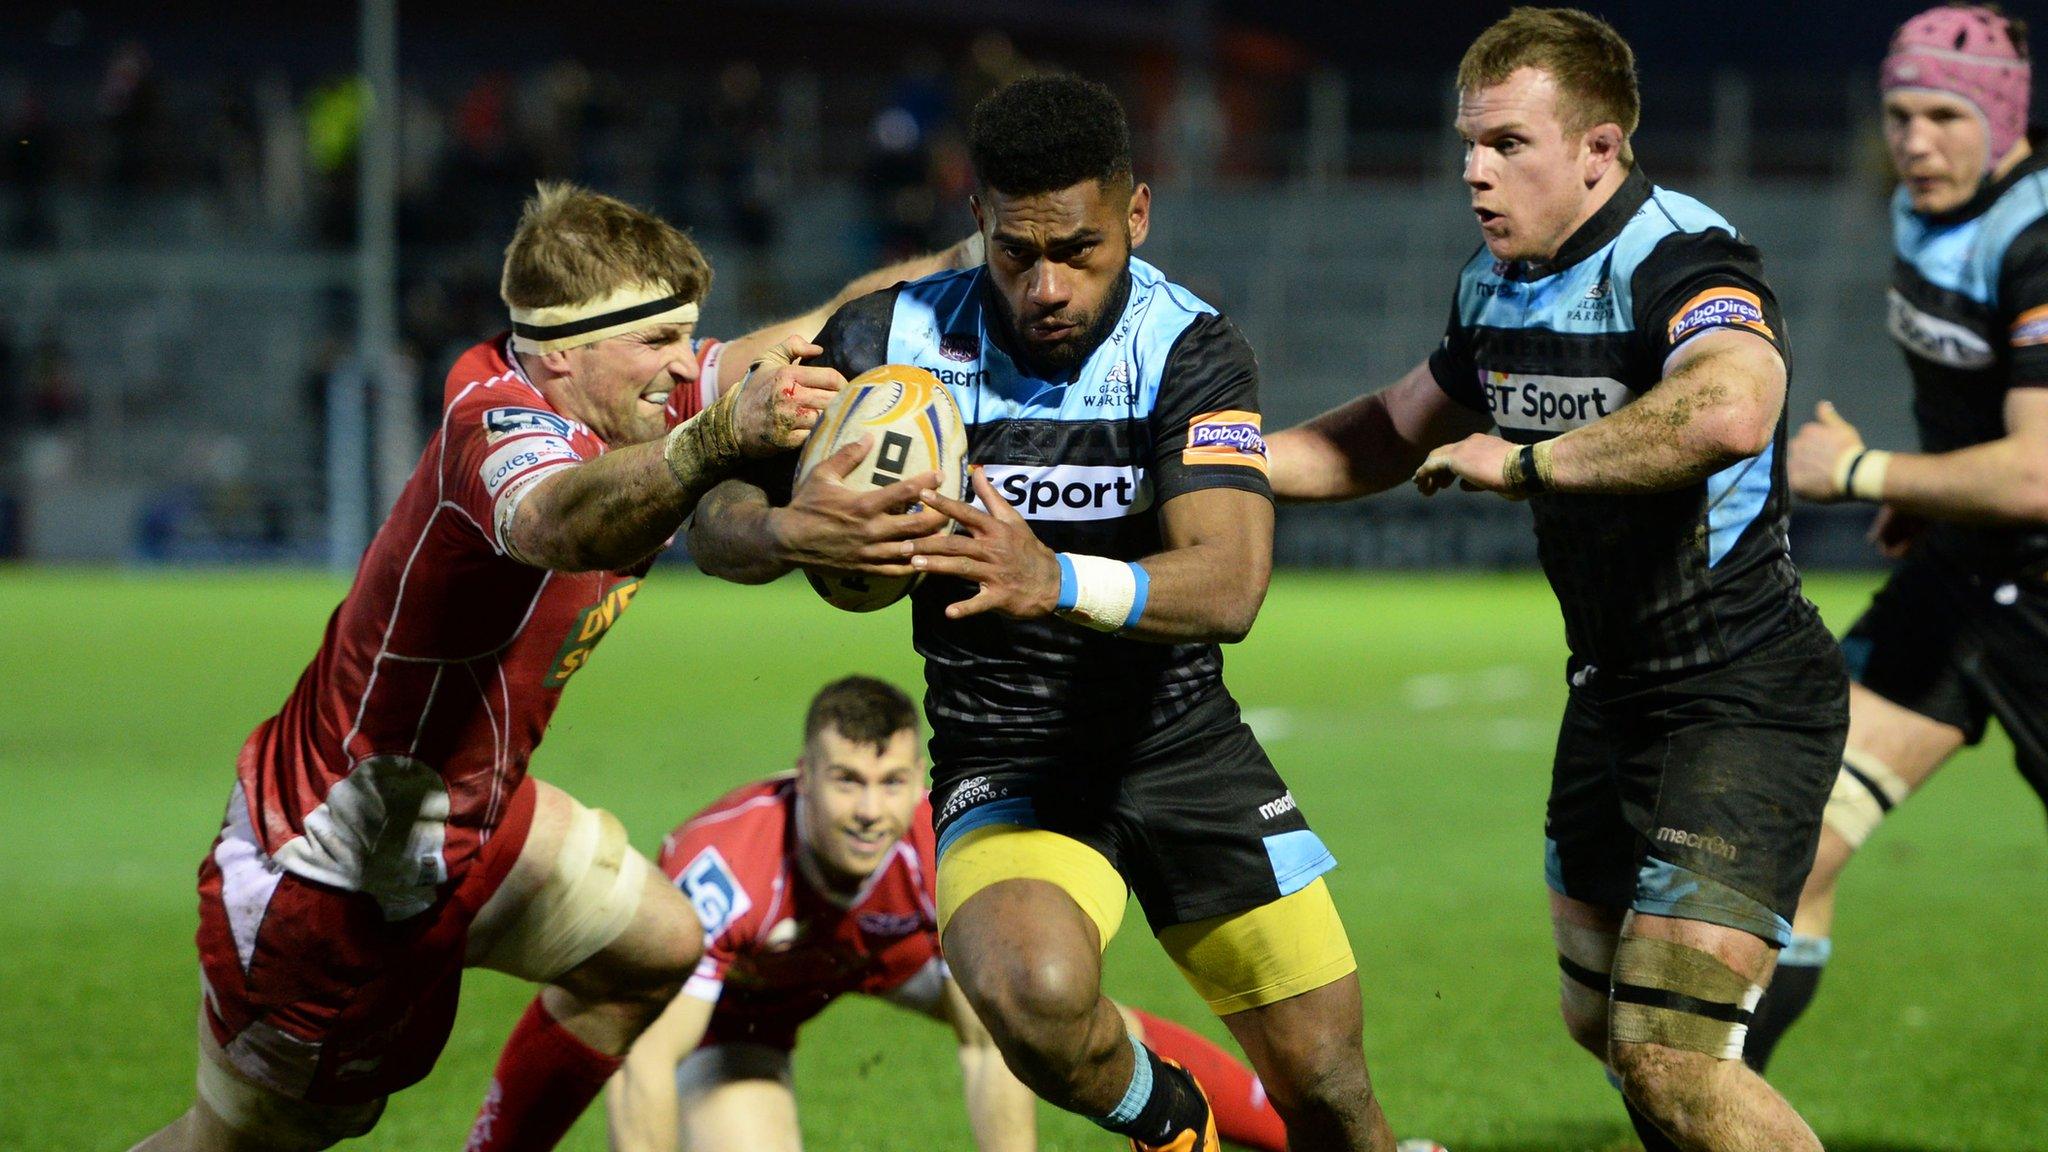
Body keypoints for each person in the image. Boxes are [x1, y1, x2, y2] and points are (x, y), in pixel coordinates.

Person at [129, 182, 963, 1152]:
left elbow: (822, 326)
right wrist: (718, 435)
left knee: (654, 950)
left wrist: (963, 266)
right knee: (249, 1144)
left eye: (683, 338)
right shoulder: (496, 426)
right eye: (656, 343)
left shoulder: (638, 401)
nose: (679, 366)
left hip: (476, 824)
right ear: (563, 350)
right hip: (334, 872)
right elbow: (558, 521)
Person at [689, 75, 1401, 1152]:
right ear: (975, 219)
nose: (1046, 286)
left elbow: (1229, 581)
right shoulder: (888, 337)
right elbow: (715, 512)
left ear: (1136, 215)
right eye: (1015, 254)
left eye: (1078, 249)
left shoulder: (1189, 349)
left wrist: (1052, 579)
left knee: (1330, 1090)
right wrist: (790, 532)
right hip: (1007, 758)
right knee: (1031, 994)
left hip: (1183, 748)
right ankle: (1177, 1130)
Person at [1264, 10, 1847, 1152]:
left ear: (1599, 148)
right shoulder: (1492, 284)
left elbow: (1731, 407)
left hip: (1740, 695)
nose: (1474, 173)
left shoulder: (1681, 257)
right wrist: (1205, 457)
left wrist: (1529, 463)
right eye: (1466, 145)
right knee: (1599, 1024)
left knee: (1668, 1055)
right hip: (1610, 701)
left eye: (1507, 145)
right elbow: (1388, 431)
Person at [606, 675, 1290, 1152]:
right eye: (847, 781)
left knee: (1060, 1025)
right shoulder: (724, 866)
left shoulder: (942, 844)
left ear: (917, 782)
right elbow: (644, 1060)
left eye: (892, 783)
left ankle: (1295, 1134)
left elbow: (988, 1045)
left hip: (893, 953)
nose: (871, 812)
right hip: (744, 1007)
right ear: (802, 775)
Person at [1762, 2, 2048, 1073]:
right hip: (1960, 582)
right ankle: (1715, 1125)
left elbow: (2037, 470)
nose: (1913, 140)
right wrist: (1932, 495)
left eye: (1940, 114)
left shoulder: (2036, 236)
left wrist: (1859, 473)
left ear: (2002, 115)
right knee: (1783, 850)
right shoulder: (1922, 212)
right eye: (1896, 115)